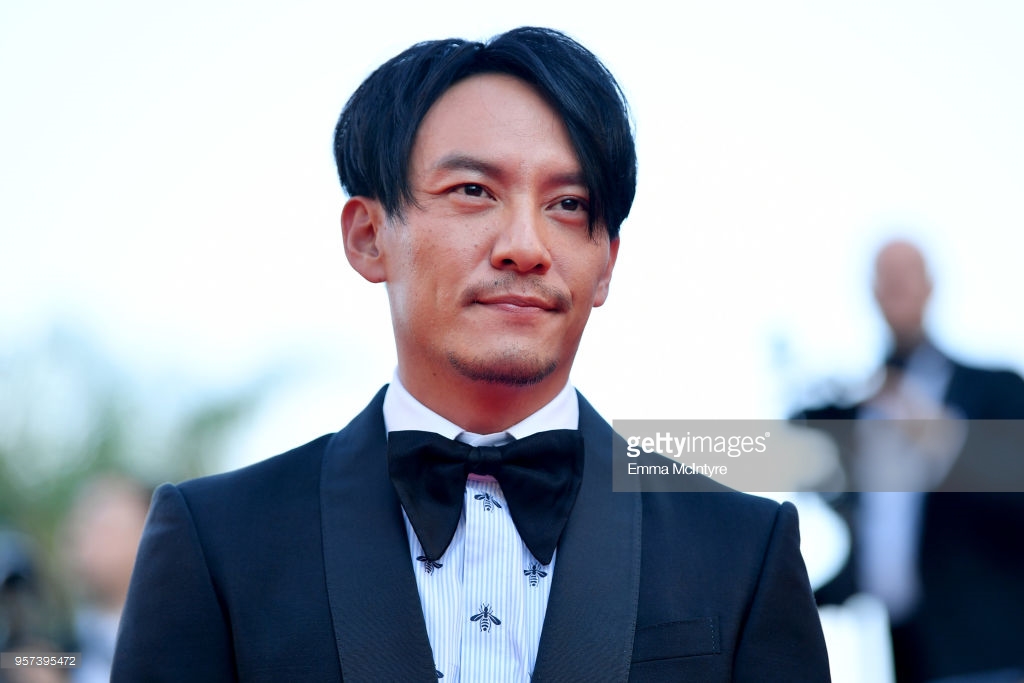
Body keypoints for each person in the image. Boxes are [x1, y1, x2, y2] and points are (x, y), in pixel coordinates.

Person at [112, 27, 830, 681]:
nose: (525, 246)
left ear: (606, 263)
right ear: (368, 237)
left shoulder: (742, 549)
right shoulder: (217, 543)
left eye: (568, 204)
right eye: (473, 190)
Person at [796, 239, 1024, 682]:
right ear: (872, 292)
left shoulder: (995, 390)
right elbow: (880, 544)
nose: (897, 287)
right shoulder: (860, 408)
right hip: (907, 653)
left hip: (990, 654)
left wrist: (945, 439)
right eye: (886, 277)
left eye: (907, 274)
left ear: (930, 285)